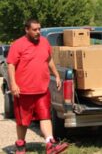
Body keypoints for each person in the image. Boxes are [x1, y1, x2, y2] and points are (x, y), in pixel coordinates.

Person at [7, 19, 68, 154]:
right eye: (34, 30)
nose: (38, 32)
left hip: (42, 89)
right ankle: (21, 144)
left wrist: (57, 75)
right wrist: (13, 84)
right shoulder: (18, 44)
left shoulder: (44, 42)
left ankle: (50, 144)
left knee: (45, 116)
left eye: (39, 29)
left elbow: (49, 59)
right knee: (23, 121)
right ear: (27, 30)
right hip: (23, 91)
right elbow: (10, 64)